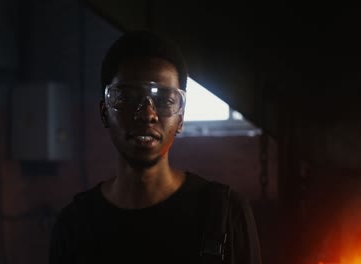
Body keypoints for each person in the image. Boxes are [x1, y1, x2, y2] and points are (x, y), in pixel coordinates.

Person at [49, 30, 262, 264]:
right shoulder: (76, 224)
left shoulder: (225, 215)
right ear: (104, 113)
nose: (147, 114)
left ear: (180, 117)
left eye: (164, 101)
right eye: (128, 98)